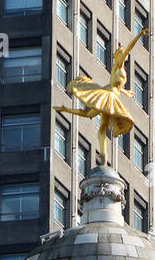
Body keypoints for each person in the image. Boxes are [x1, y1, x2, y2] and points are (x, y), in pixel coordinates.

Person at [54, 29, 148, 165]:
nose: (122, 54)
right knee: (98, 120)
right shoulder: (118, 65)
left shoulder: (121, 69)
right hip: (108, 96)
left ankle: (103, 155)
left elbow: (116, 85)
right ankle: (103, 156)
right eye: (120, 53)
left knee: (99, 122)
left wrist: (125, 91)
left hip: (111, 96)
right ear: (117, 57)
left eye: (122, 53)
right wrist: (139, 35)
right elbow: (129, 48)